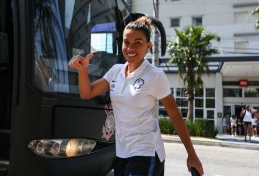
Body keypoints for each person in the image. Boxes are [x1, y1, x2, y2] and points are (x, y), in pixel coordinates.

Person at [68, 17, 203, 176]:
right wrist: (83, 71)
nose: (130, 48)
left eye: (138, 43)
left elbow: (174, 114)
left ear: (148, 46)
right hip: (122, 152)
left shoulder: (155, 76)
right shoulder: (115, 71)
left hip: (146, 151)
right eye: (126, 42)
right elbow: (87, 92)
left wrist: (191, 154)